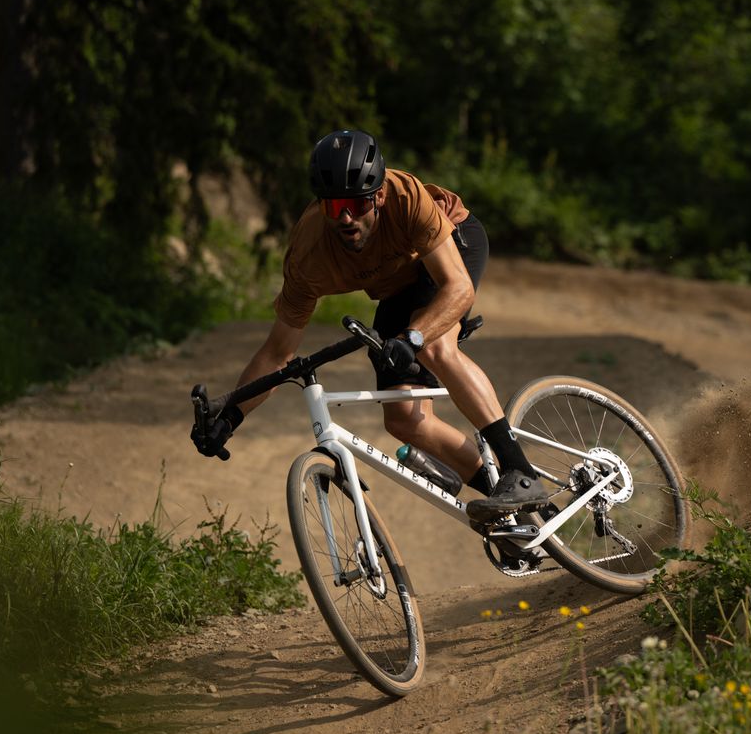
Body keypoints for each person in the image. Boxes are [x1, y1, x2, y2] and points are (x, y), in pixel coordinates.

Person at [190, 128, 547, 523]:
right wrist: (231, 417)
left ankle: (521, 473)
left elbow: (457, 286)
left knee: (434, 347)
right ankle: (523, 514)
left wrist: (413, 336)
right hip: (400, 285)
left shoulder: (407, 196)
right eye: (333, 206)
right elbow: (277, 353)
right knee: (402, 419)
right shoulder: (308, 256)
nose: (345, 218)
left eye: (356, 204)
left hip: (451, 245)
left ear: (377, 196)